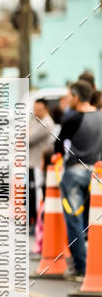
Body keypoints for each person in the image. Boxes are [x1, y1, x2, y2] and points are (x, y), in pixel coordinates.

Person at [54, 80, 102, 280]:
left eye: (69, 95)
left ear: (76, 97)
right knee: (95, 222)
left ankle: (80, 266)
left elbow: (58, 147)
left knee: (74, 220)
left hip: (75, 172)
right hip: (97, 173)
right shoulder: (100, 117)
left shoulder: (73, 120)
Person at [28, 99, 55, 230]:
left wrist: (25, 134)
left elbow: (29, 138)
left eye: (39, 109)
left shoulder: (47, 123)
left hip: (39, 164)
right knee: (30, 193)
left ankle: (37, 223)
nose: (36, 112)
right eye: (35, 109)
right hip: (32, 162)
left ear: (46, 109)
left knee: (37, 193)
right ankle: (31, 220)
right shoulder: (35, 121)